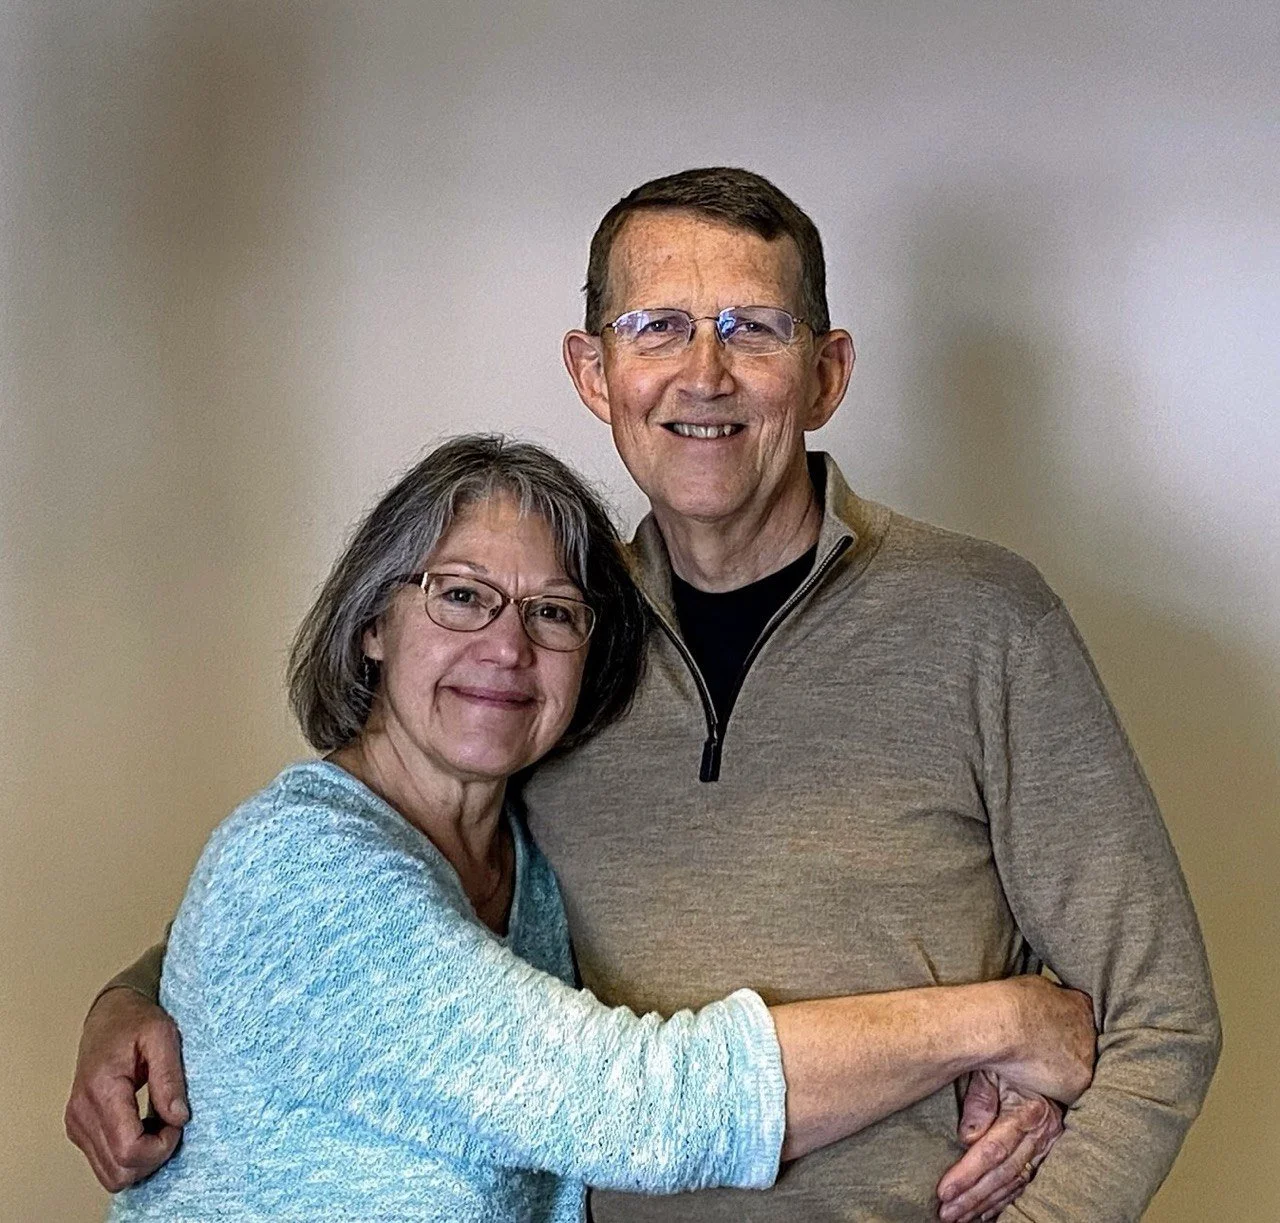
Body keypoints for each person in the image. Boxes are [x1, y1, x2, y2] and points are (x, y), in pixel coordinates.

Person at [69, 169, 1221, 1221]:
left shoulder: (982, 622)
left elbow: (1157, 1021)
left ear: (825, 373)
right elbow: (343, 909)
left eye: (752, 328)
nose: (702, 373)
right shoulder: (560, 648)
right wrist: (136, 999)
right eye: (656, 326)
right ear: (594, 371)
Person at [100, 435, 1093, 1222]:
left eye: (553, 612)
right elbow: (640, 1106)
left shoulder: (524, 853)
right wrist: (1004, 1023)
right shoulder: (299, 865)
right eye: (460, 595)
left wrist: (133, 991)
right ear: (372, 623)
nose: (506, 645)